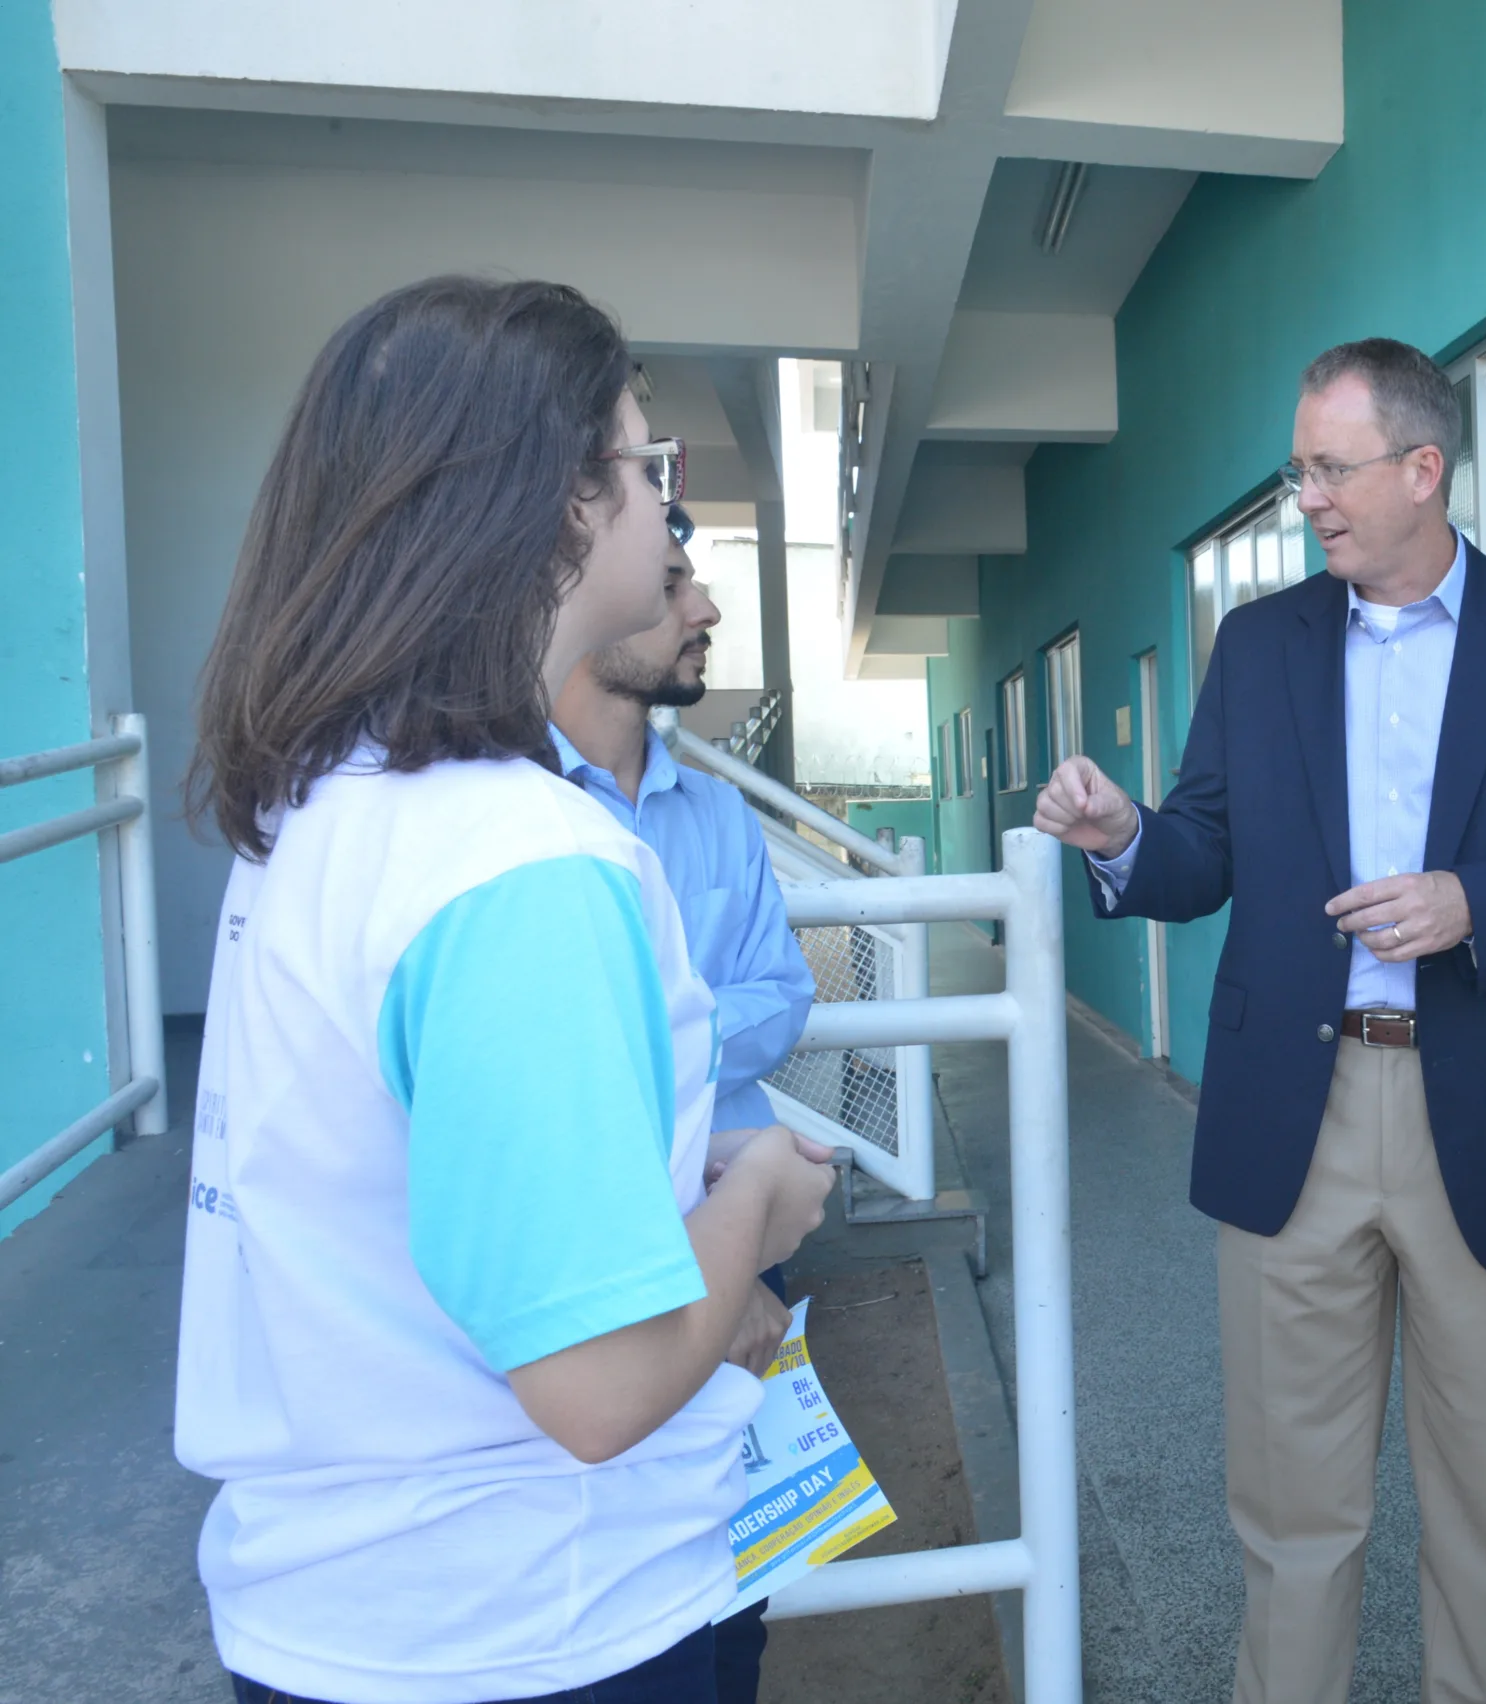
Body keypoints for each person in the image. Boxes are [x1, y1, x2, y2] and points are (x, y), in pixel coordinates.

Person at [177, 276, 838, 1704]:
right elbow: (599, 1388)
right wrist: (763, 1194)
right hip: (536, 1618)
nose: (670, 514)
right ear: (555, 501)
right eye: (644, 465)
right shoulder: (518, 855)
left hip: (344, 1610)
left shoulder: (323, 809)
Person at [1035, 337, 1486, 1704]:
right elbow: (1203, 847)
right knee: (1290, 1509)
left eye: (1331, 468)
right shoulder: (1261, 645)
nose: (1308, 498)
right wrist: (1122, 837)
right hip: (1299, 1115)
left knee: (1485, 1514)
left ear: (1422, 469)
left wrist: (1474, 901)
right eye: (1299, 470)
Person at [548, 502, 817, 1704]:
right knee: (606, 1589)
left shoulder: (714, 812)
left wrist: (641, 1036)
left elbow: (782, 993)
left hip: (752, 1235)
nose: (706, 608)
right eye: (673, 586)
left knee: (734, 1605)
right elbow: (548, 1085)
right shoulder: (506, 813)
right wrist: (688, 1033)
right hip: (610, 1257)